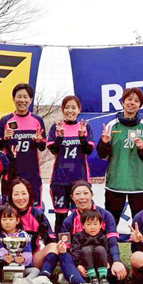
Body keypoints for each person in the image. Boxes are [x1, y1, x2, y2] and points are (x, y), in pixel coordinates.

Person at [0, 178, 56, 284]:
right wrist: (2, 256)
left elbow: (49, 240)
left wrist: (25, 258)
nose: (20, 198)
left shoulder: (37, 214)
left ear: (29, 194)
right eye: (16, 194)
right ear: (10, 195)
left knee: (54, 246)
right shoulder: (1, 211)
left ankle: (43, 277)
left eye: (24, 193)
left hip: (29, 260)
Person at [57, 181, 128, 284]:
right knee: (64, 257)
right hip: (82, 262)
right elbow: (69, 249)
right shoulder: (68, 221)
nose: (82, 197)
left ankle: (71, 276)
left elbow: (112, 242)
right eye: (77, 194)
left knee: (121, 273)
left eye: (85, 193)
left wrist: (116, 261)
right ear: (72, 197)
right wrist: (77, 265)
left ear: (92, 195)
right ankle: (78, 277)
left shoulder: (106, 215)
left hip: (102, 261)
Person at [97, 87, 143, 227]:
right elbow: (102, 155)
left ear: (140, 105)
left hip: (139, 185)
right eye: (129, 99)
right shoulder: (112, 125)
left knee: (141, 226)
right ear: (123, 102)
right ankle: (110, 242)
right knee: (110, 225)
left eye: (136, 100)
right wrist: (104, 143)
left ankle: (140, 243)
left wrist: (142, 149)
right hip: (115, 183)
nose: (132, 103)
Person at [47, 95, 94, 232]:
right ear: (62, 109)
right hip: (60, 180)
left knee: (81, 216)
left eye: (73, 107)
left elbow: (89, 150)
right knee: (60, 216)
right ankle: (60, 243)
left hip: (80, 180)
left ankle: (80, 243)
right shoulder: (57, 127)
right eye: (67, 107)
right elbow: (53, 150)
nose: (70, 111)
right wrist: (60, 137)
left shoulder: (85, 126)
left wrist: (82, 138)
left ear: (79, 109)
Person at [0, 83, 46, 207]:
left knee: (33, 209)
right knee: (9, 209)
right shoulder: (5, 120)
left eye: (25, 97)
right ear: (13, 99)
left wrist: (38, 141)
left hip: (32, 173)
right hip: (11, 173)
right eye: (19, 97)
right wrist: (5, 138)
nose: (22, 100)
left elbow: (42, 147)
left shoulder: (38, 120)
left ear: (31, 99)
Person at [0, 205, 35, 284]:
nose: (7, 222)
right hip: (2, 267)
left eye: (11, 219)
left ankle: (24, 282)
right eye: (4, 219)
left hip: (20, 267)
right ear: (0, 221)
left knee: (35, 270)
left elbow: (28, 251)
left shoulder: (24, 235)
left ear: (17, 220)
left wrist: (23, 259)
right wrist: (5, 257)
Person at [70, 209, 112, 284]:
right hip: (86, 269)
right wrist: (78, 265)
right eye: (88, 224)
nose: (92, 227)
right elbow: (75, 252)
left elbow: (108, 251)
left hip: (101, 266)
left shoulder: (103, 237)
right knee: (86, 249)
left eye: (95, 224)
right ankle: (93, 279)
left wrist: (108, 261)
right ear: (83, 225)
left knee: (101, 249)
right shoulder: (78, 237)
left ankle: (103, 279)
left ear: (100, 225)